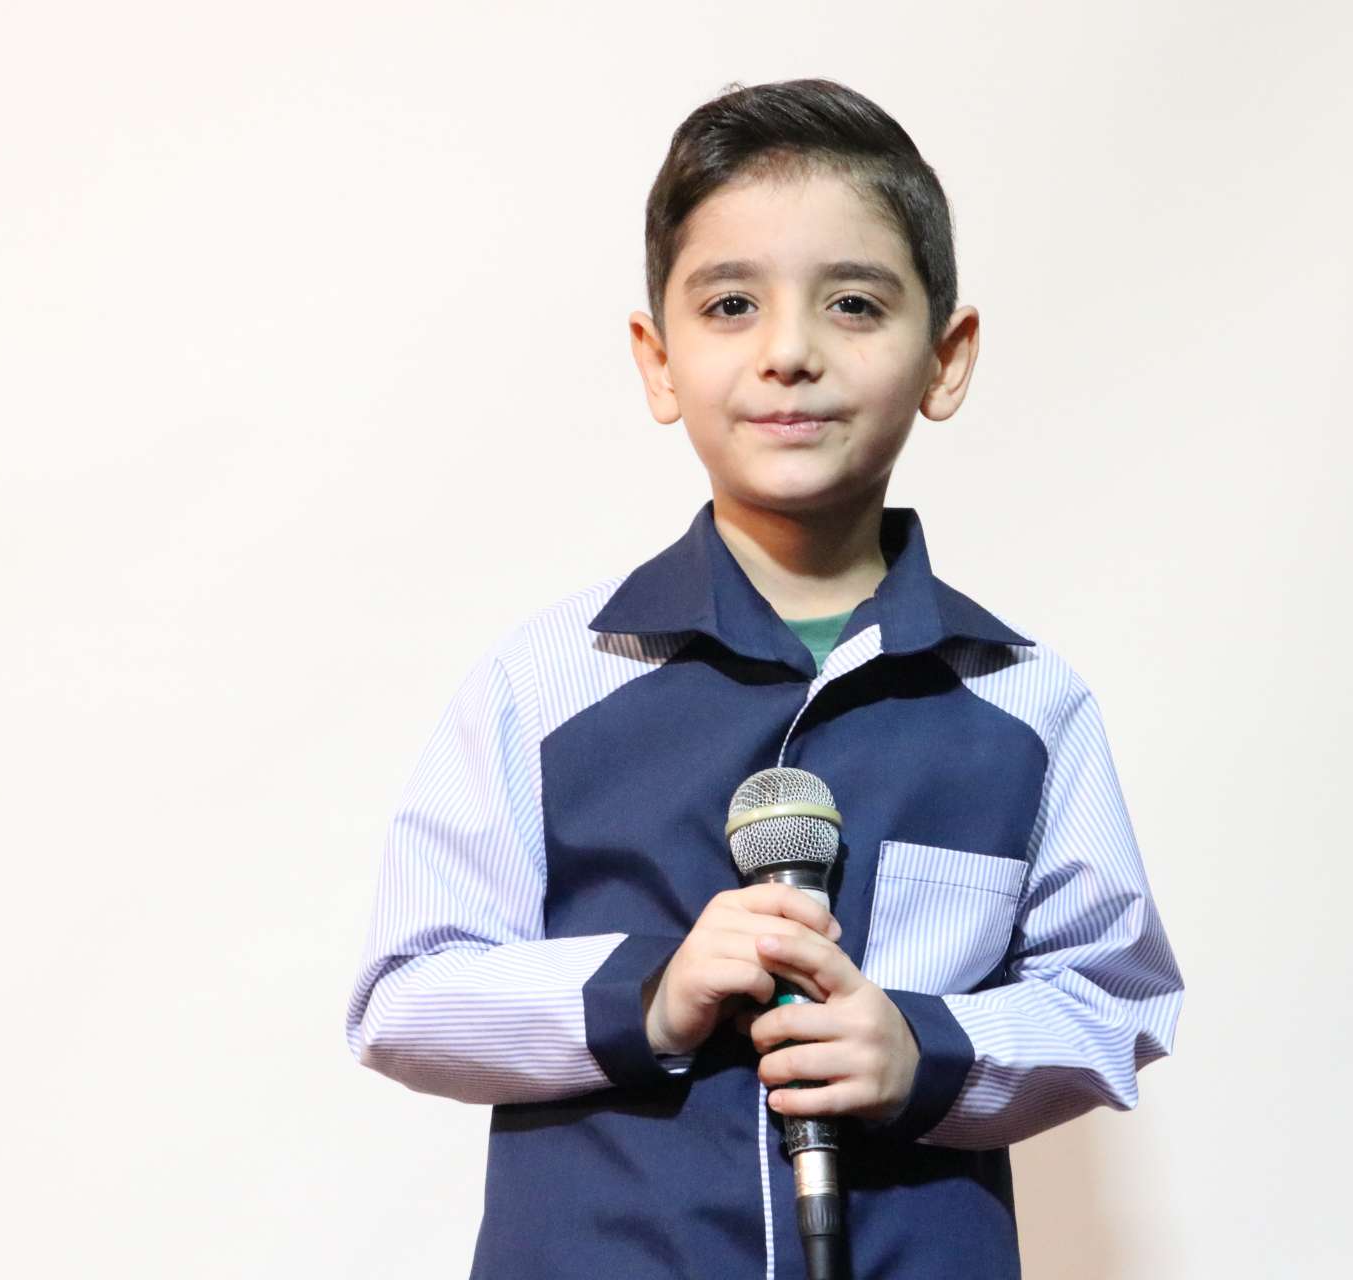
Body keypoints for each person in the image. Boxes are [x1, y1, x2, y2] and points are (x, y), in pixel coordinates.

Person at [343, 77, 1184, 1279]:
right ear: (658, 360)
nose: (790, 352)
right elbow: (405, 993)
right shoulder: (547, 681)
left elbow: (1114, 998)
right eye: (731, 304)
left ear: (946, 359)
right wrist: (650, 991)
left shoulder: (1027, 703)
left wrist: (924, 1049)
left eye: (854, 303)